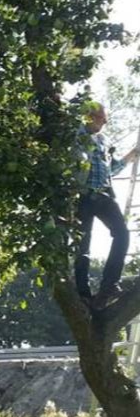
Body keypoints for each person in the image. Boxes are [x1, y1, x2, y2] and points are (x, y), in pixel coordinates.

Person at [74, 102, 139, 310]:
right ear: (90, 116)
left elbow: (112, 169)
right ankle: (83, 294)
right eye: (102, 118)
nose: (105, 122)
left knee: (122, 234)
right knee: (83, 246)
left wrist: (133, 154)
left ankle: (109, 284)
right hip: (83, 196)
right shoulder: (76, 136)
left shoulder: (102, 140)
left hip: (104, 195)